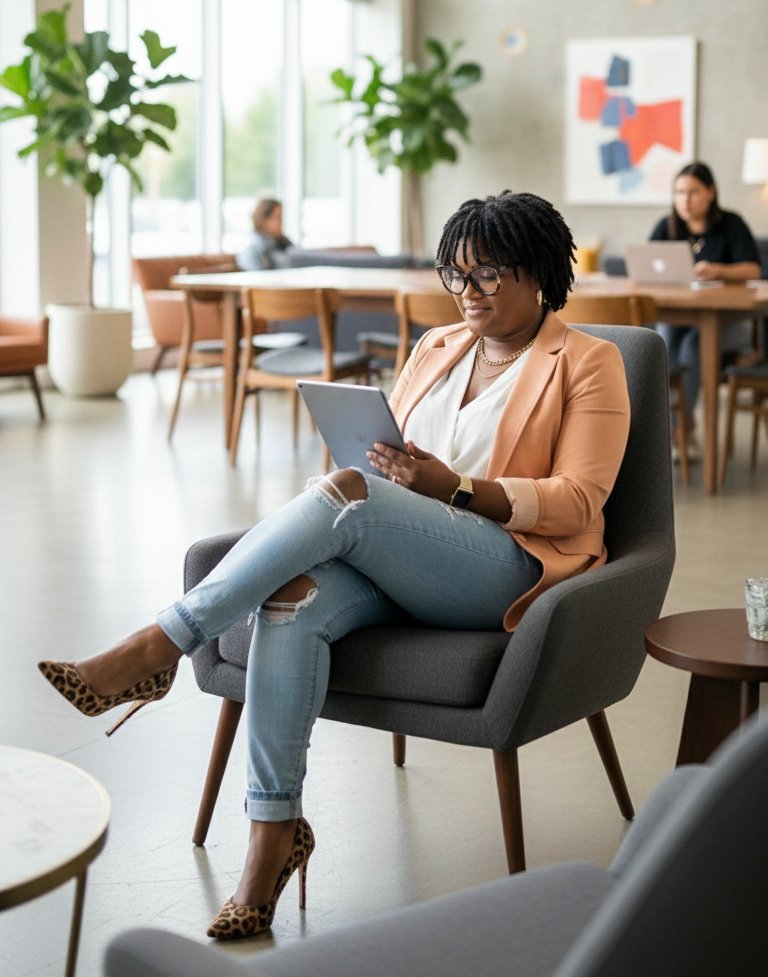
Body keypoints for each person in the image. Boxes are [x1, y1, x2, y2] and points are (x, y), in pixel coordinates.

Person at [38, 191, 631, 941]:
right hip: (408, 550)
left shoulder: (587, 361)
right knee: (292, 597)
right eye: (457, 276)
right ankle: (271, 841)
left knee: (348, 494)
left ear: (539, 272)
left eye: (488, 276)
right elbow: (388, 466)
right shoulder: (436, 348)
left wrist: (455, 487)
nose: (469, 294)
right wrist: (388, 466)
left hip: (508, 566)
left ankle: (159, 644)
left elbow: (580, 503)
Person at [650, 161, 762, 448]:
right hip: (681, 319)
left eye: (693, 192)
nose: (684, 201)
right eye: (679, 192)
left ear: (711, 192)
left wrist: (718, 271)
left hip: (730, 324)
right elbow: (647, 266)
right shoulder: (667, 226)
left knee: (691, 347)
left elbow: (753, 270)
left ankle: (681, 428)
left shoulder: (731, 224)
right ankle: (677, 428)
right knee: (664, 337)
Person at [236, 197, 292, 270]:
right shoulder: (252, 252)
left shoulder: (284, 245)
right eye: (278, 218)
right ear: (263, 220)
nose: (282, 223)